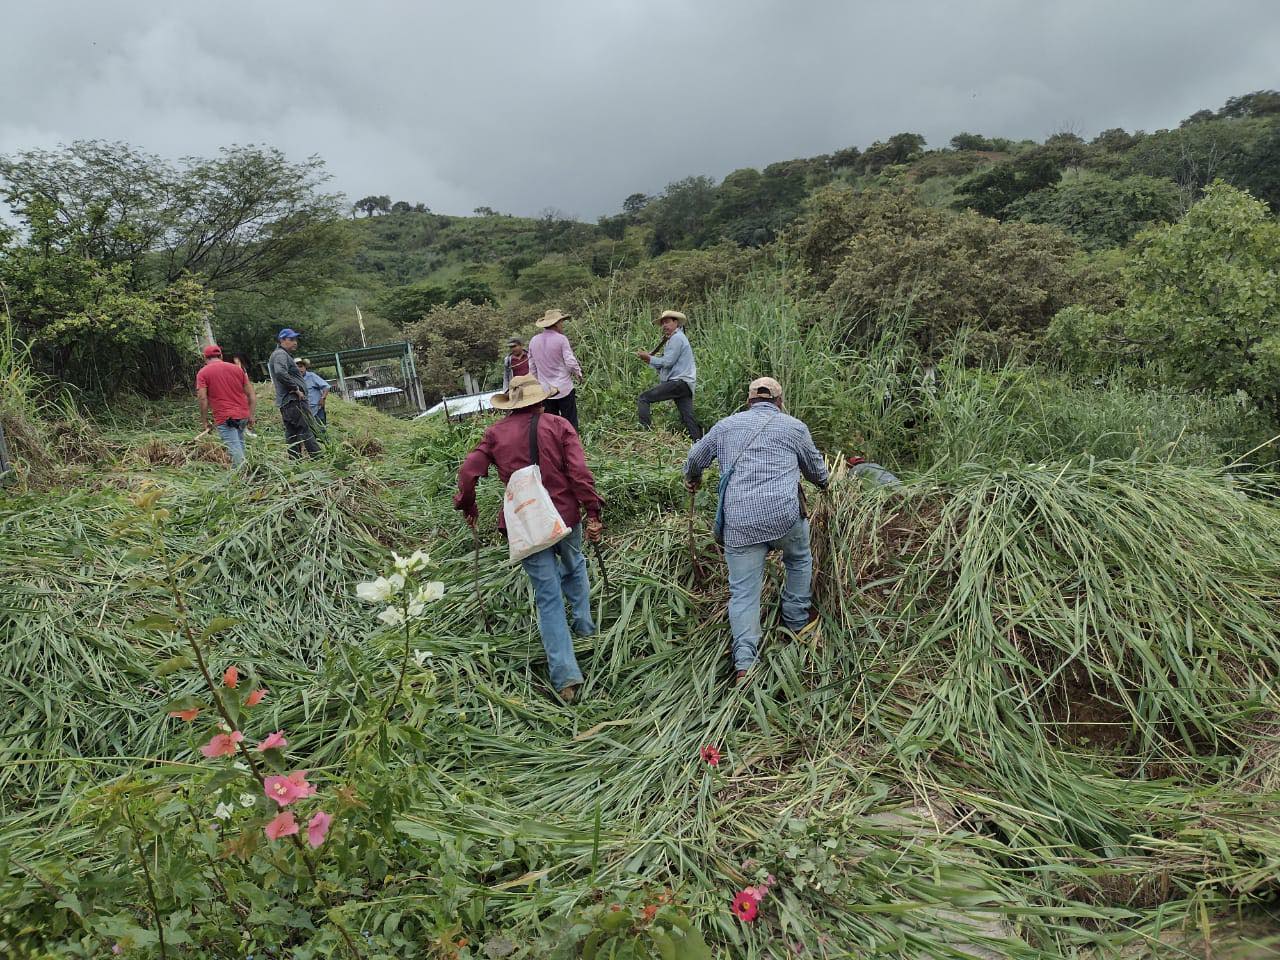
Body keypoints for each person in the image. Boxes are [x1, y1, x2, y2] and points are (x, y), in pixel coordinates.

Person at [454, 374, 604, 704]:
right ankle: (585, 630)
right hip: (563, 514)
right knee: (575, 563)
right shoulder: (559, 425)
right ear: (541, 400)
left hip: (526, 522)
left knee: (547, 595)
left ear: (511, 404)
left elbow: (468, 471)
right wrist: (593, 510)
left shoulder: (495, 434)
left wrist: (467, 503)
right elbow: (579, 473)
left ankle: (566, 677)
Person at [684, 377, 829, 684]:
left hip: (740, 522)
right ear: (779, 401)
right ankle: (796, 624)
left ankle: (745, 663)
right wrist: (825, 484)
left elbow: (694, 458)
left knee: (744, 592)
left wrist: (693, 478)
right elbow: (817, 471)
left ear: (748, 400)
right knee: (799, 559)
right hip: (784, 517)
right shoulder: (793, 427)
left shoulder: (725, 426)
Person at [635, 309, 702, 439]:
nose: (664, 325)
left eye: (667, 322)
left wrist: (648, 358)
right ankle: (698, 442)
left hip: (679, 382)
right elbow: (666, 366)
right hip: (685, 385)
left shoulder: (677, 338)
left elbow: (667, 362)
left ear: (676, 323)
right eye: (663, 323)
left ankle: (645, 434)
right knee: (688, 417)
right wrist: (649, 360)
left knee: (644, 398)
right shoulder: (674, 339)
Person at [195, 344, 256, 467]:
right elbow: (251, 395)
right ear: (221, 355)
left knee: (234, 449)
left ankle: (242, 479)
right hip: (243, 415)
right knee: (239, 444)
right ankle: (246, 473)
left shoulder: (203, 373)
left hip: (225, 417)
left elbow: (202, 398)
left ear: (204, 357)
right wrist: (251, 415)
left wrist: (204, 420)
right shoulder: (237, 369)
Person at [527, 309, 583, 431]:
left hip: (546, 391)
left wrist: (537, 383)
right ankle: (572, 446)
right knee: (570, 422)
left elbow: (532, 367)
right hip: (564, 388)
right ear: (556, 323)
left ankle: (555, 447)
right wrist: (578, 373)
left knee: (552, 425)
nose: (562, 325)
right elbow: (570, 361)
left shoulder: (534, 341)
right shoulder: (561, 339)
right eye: (562, 322)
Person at [267, 328, 319, 459]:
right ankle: (318, 458)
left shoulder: (281, 354)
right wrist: (296, 389)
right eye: (291, 339)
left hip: (286, 402)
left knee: (292, 434)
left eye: (295, 339)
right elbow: (280, 372)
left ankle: (295, 463)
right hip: (294, 400)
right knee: (306, 429)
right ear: (282, 340)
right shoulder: (280, 354)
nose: (295, 342)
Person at [296, 358, 331, 425]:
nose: (299, 369)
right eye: (296, 367)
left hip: (317, 408)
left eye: (301, 366)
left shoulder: (311, 376)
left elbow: (326, 387)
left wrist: (323, 398)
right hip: (303, 410)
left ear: (305, 367)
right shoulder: (293, 379)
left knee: (321, 428)